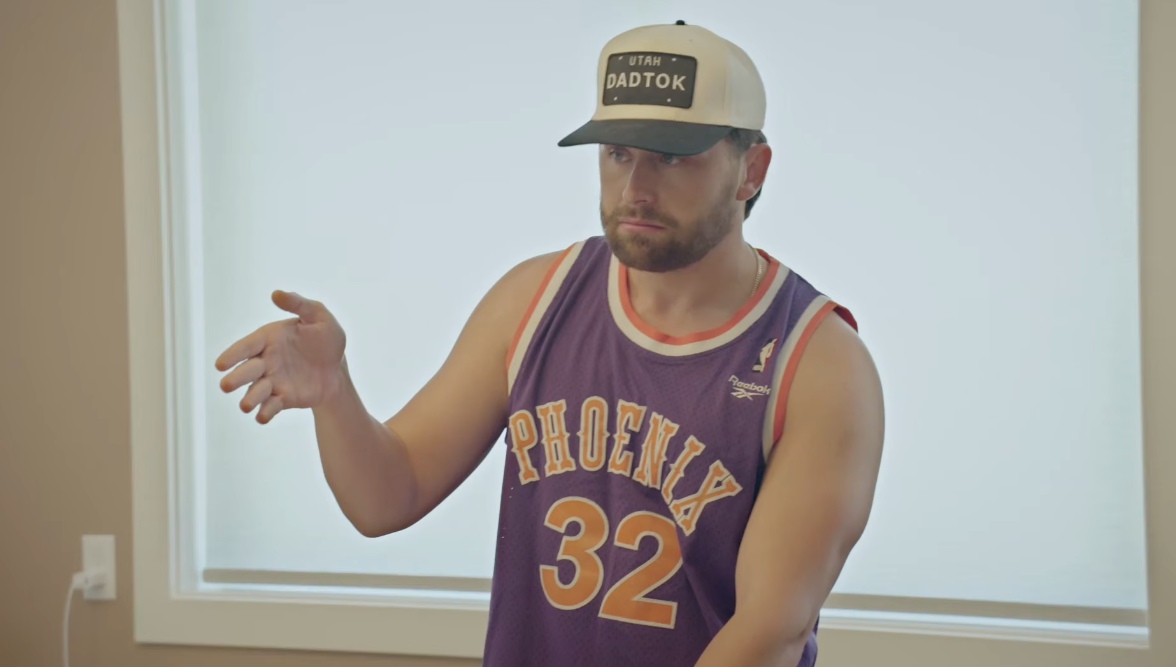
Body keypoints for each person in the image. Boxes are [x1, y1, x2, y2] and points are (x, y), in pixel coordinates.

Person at [214, 20, 884, 667]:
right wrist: (336, 394)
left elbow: (768, 635)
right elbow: (388, 496)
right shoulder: (534, 300)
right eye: (618, 154)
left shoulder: (819, 365)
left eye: (672, 158)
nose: (636, 189)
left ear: (751, 170)